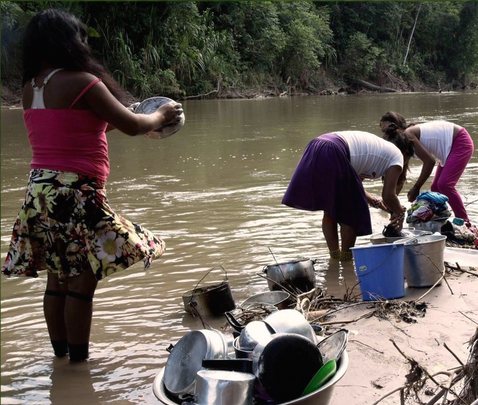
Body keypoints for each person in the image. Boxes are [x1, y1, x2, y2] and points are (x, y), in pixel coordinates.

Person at [1, 9, 184, 362]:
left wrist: (136, 119)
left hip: (40, 192)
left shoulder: (32, 87)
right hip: (76, 192)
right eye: (81, 38)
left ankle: (61, 361)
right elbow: (131, 125)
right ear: (67, 42)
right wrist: (161, 116)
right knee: (83, 282)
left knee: (57, 279)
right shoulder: (81, 81)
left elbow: (81, 128)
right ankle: (79, 366)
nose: (84, 45)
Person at [282, 131, 414, 260]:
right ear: (406, 152)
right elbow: (388, 196)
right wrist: (400, 213)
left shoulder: (378, 151)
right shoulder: (397, 156)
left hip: (316, 146)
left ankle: (335, 258)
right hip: (333, 150)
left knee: (330, 210)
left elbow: (356, 188)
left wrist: (375, 202)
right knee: (351, 213)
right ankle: (346, 260)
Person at [380, 111, 474, 225]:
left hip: (459, 141)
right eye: (383, 129)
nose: (386, 133)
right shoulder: (401, 142)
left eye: (388, 128)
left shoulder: (408, 135)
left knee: (445, 185)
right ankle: (440, 221)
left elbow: (429, 161)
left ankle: (465, 223)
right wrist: (392, 205)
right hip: (448, 148)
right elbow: (400, 177)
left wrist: (416, 187)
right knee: (435, 188)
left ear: (398, 127)